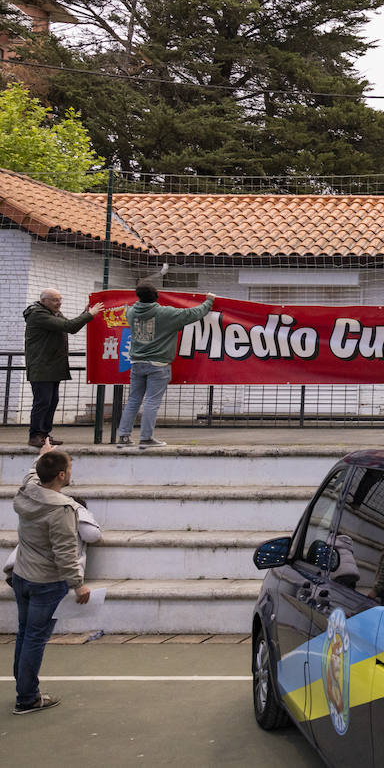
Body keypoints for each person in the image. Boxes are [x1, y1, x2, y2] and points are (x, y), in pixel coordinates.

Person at [11, 441, 91, 715]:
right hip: (46, 581)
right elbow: (66, 552)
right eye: (68, 469)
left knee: (25, 633)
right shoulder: (62, 509)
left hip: (22, 574)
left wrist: (43, 455)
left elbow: (32, 474)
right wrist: (78, 585)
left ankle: (24, 688)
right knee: (35, 638)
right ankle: (27, 697)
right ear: (61, 475)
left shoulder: (28, 491)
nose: (70, 472)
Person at [115, 282, 216, 449]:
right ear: (156, 296)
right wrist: (209, 301)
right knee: (152, 401)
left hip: (137, 363)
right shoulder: (165, 313)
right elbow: (194, 313)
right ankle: (146, 438)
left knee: (133, 400)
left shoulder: (131, 312)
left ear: (138, 296)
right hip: (158, 364)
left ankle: (123, 437)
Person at [23, 289, 105, 448]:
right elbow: (69, 326)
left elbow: (71, 325)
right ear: (44, 300)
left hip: (52, 366)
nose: (59, 303)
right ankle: (35, 435)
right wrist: (90, 314)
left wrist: (85, 312)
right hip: (41, 367)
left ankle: (45, 435)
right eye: (55, 300)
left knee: (52, 401)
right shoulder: (39, 315)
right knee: (42, 402)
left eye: (60, 299)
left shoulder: (54, 313)